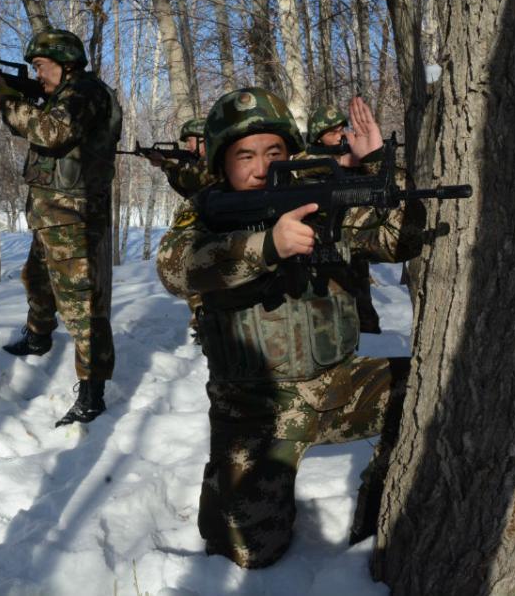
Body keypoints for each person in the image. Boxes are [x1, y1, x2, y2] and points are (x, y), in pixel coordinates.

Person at [156, 88, 426, 568]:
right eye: (245, 155)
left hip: (339, 387)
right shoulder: (203, 211)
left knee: (426, 390)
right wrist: (267, 247)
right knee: (245, 554)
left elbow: (398, 239)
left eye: (272, 153)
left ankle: (378, 517)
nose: (260, 168)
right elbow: (175, 268)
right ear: (222, 162)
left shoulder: (319, 195)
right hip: (253, 413)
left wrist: (377, 164)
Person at [0, 28, 122, 426]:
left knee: (81, 305)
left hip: (72, 217)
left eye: (42, 66)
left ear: (66, 62)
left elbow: (50, 132)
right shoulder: (65, 94)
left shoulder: (85, 93)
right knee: (37, 279)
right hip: (53, 214)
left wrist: (8, 101)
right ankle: (38, 336)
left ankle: (92, 394)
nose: (38, 75)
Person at [303, 103, 383, 334]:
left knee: (364, 314)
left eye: (341, 129)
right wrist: (340, 163)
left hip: (353, 247)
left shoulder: (351, 152)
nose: (340, 136)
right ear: (318, 137)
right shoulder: (310, 159)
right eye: (332, 132)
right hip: (321, 250)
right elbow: (298, 164)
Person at [147, 117, 218, 344]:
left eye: (190, 141)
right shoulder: (204, 160)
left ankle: (208, 320)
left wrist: (167, 164)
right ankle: (203, 318)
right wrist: (168, 167)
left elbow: (193, 180)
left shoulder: (215, 159)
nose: (188, 146)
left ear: (203, 140)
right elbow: (186, 188)